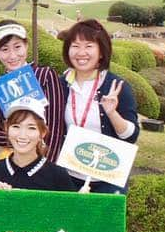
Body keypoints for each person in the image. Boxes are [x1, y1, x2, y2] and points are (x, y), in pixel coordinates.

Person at [60, 19, 140, 194]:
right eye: (75, 46)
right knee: (67, 222)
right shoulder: (62, 84)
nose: (81, 53)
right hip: (68, 175)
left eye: (89, 46)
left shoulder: (116, 86)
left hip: (108, 178)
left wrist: (112, 113)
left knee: (104, 222)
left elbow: (131, 136)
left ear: (101, 51)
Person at [0, 21, 67, 161]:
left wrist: (46, 165)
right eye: (4, 49)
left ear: (26, 46)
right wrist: (23, 141)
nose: (12, 55)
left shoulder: (45, 75)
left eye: (17, 47)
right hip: (10, 160)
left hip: (45, 160)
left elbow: (55, 126)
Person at [0, 98, 83, 192]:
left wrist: (81, 202)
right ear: (6, 129)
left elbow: (71, 213)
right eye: (16, 126)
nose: (22, 135)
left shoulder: (58, 176)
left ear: (42, 133)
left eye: (31, 128)